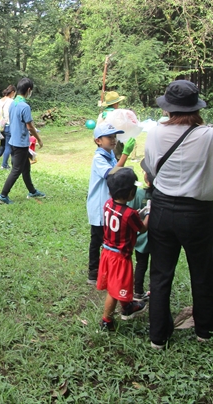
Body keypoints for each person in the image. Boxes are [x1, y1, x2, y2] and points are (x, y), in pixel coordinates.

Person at [142, 80, 213, 349]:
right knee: (202, 272)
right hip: (198, 213)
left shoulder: (155, 133)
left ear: (168, 107)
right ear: (196, 106)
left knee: (160, 273)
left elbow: (150, 171)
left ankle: (158, 336)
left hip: (163, 209)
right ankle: (205, 330)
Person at [98, 167, 149, 331]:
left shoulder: (107, 204)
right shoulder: (130, 214)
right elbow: (142, 229)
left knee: (118, 284)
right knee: (114, 290)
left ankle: (128, 306)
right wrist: (148, 214)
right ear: (130, 193)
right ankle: (106, 321)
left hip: (107, 252)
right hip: (120, 257)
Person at [86, 123, 135, 285]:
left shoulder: (110, 155)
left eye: (115, 137)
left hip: (107, 205)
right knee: (97, 239)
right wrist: (125, 155)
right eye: (109, 137)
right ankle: (93, 271)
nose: (113, 140)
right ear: (98, 141)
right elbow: (110, 175)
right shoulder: (99, 157)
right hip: (99, 206)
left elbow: (116, 169)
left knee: (108, 238)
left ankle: (106, 268)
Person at [0, 78, 45, 204]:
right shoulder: (24, 106)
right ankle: (2, 196)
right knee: (16, 170)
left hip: (12, 141)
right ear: (28, 90)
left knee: (26, 168)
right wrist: (39, 139)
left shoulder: (13, 104)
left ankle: (32, 191)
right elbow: (30, 127)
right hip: (20, 144)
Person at [128, 160, 154, 301]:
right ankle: (156, 290)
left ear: (147, 179)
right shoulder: (162, 194)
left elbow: (131, 211)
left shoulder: (138, 193)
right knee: (157, 266)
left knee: (141, 264)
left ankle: (138, 292)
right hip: (159, 238)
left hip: (141, 238)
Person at [97, 91, 127, 158]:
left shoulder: (102, 115)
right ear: (115, 104)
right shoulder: (117, 114)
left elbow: (97, 130)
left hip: (103, 143)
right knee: (116, 163)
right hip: (115, 142)